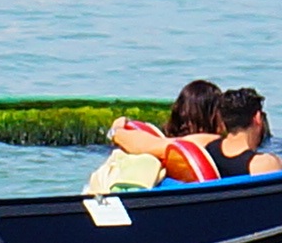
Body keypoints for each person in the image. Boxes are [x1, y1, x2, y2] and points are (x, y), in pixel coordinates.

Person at [96, 80, 237, 192]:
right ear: (210, 115)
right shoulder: (203, 141)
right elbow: (152, 145)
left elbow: (150, 145)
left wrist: (116, 131)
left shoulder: (184, 143)